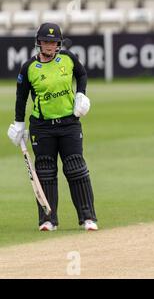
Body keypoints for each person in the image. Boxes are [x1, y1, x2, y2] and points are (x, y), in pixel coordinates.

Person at [7, 23, 98, 231]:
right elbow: (21, 98)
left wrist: (81, 94)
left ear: (59, 43)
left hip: (69, 123)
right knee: (45, 170)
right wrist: (19, 123)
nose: (50, 46)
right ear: (39, 43)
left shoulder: (68, 58)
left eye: (54, 42)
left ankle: (88, 218)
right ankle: (48, 219)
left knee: (76, 168)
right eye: (46, 42)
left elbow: (82, 74)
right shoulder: (29, 67)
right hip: (42, 127)